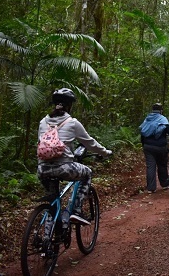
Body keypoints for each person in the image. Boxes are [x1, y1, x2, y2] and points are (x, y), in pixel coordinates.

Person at [36, 88, 112, 225]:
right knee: (87, 173)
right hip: (64, 167)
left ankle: (49, 237)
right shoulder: (72, 122)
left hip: (43, 169)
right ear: (69, 105)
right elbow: (90, 143)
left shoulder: (43, 122)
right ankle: (76, 211)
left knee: (52, 203)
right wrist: (105, 152)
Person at [139, 103, 169, 194]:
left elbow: (142, 134)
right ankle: (164, 184)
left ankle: (151, 188)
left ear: (152, 110)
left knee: (150, 167)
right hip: (160, 147)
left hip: (148, 147)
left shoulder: (147, 119)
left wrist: (144, 145)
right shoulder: (163, 119)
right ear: (161, 110)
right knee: (162, 165)